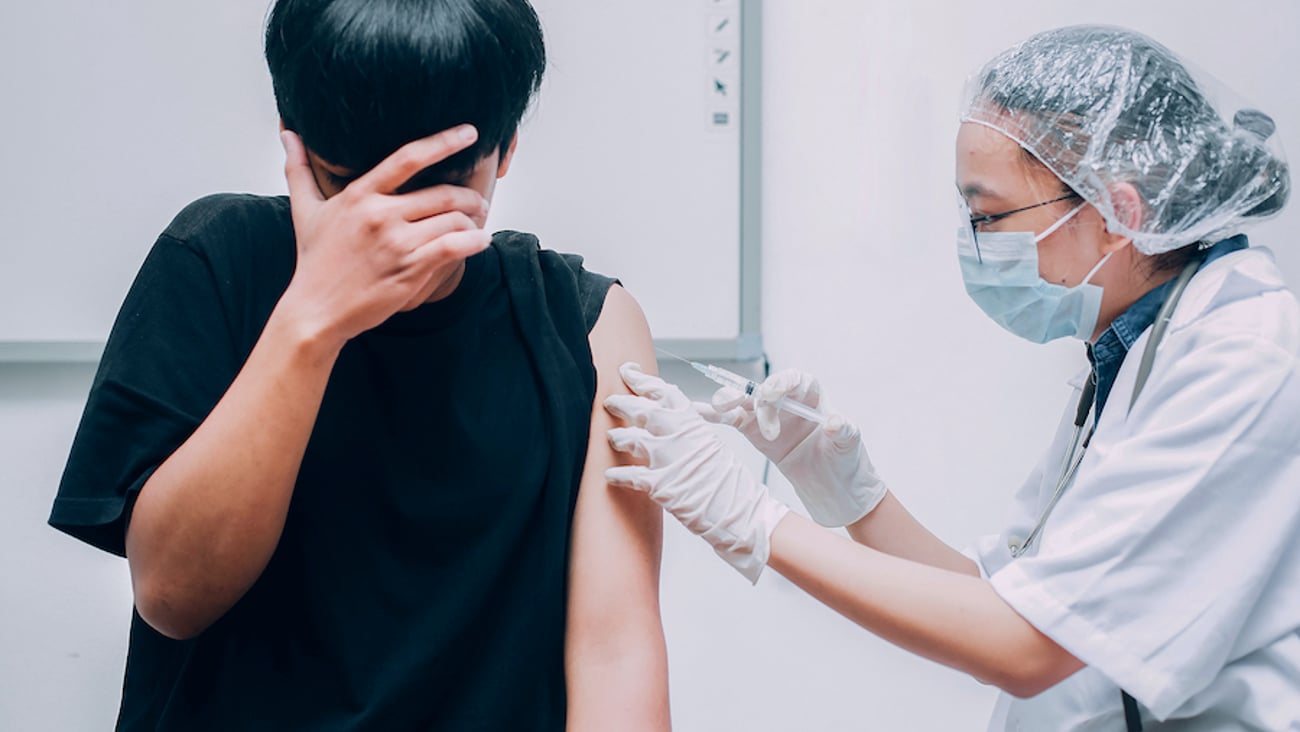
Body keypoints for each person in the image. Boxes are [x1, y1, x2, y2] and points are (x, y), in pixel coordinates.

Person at [604, 24, 1299, 731]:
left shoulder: (1243, 361)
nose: (975, 245)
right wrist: (847, 491)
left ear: (1119, 213)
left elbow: (1024, 647)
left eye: (990, 216)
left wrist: (749, 518)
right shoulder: (1138, 350)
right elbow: (994, 596)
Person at [47, 1, 670, 729]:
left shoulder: (589, 327)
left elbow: (614, 650)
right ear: (297, 149)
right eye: (352, 186)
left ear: (505, 152)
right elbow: (173, 596)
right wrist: (312, 320)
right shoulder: (216, 260)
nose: (389, 231)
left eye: (432, 194)